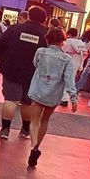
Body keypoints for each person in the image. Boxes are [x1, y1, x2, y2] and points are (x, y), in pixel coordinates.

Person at [0, 5, 47, 141]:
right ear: (44, 20)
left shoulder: (15, 29)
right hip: (33, 73)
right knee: (27, 102)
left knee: (10, 100)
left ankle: (5, 130)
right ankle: (25, 130)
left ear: (28, 15)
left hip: (12, 69)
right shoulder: (45, 34)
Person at [26, 27, 78, 168]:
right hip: (54, 93)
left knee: (34, 121)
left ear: (47, 39)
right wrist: (73, 98)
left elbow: (35, 64)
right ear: (62, 42)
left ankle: (33, 147)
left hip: (38, 90)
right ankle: (37, 145)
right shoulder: (66, 59)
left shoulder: (40, 52)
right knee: (45, 121)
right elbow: (69, 79)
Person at [59, 27, 86, 106]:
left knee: (63, 80)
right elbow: (84, 55)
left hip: (67, 62)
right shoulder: (81, 44)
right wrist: (80, 66)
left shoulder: (67, 42)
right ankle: (67, 98)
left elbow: (62, 52)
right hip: (76, 64)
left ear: (69, 34)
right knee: (71, 81)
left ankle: (63, 98)